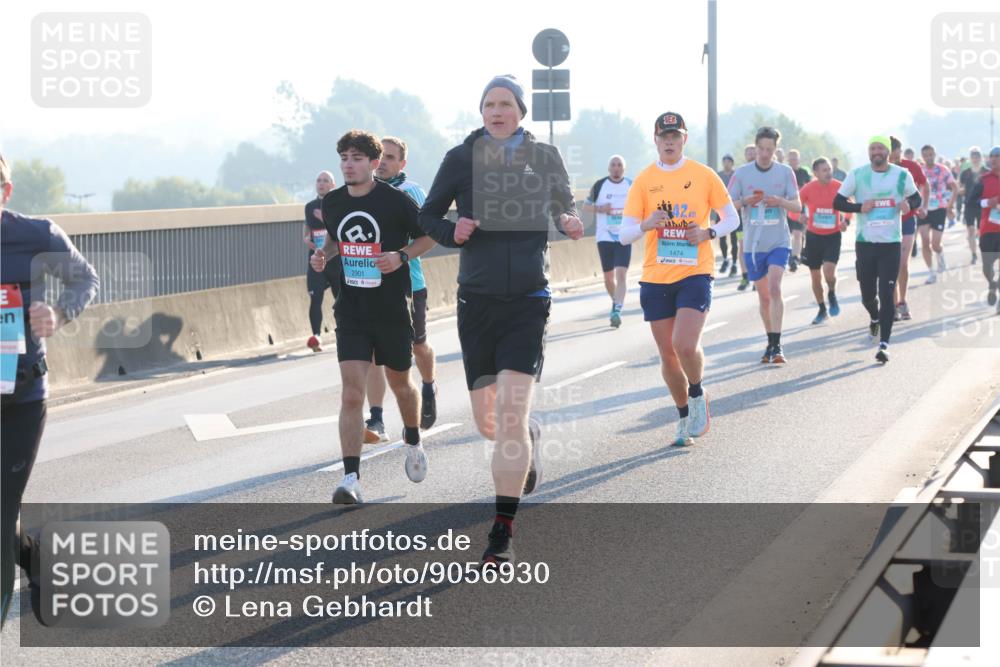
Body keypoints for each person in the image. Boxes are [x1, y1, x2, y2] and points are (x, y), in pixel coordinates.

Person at [419, 75, 584, 566]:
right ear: (481, 111)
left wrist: (569, 221)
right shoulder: (460, 159)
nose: (496, 111)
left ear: (520, 111)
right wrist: (452, 230)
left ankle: (502, 532)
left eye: (505, 103)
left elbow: (564, 205)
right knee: (490, 423)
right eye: (489, 104)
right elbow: (427, 216)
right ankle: (527, 436)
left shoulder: (545, 157)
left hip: (528, 301)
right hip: (477, 302)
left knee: (509, 413)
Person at [309, 130, 437, 505]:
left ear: (373, 163)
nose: (348, 165)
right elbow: (336, 239)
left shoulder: (394, 201)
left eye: (356, 158)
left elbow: (429, 236)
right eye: (344, 158)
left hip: (391, 309)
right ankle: (351, 479)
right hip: (351, 310)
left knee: (401, 384)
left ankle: (412, 438)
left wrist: (401, 256)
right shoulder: (333, 202)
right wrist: (324, 254)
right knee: (352, 393)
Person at [1, 153, 100, 625]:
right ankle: (36, 558)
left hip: (21, 399)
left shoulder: (37, 235)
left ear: (5, 191)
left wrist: (58, 313)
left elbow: (86, 279)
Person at [618, 112, 739, 446]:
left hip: (695, 272)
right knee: (668, 356)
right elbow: (624, 235)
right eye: (664, 137)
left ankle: (697, 394)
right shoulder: (644, 181)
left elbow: (732, 219)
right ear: (656, 141)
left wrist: (707, 232)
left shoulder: (704, 175)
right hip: (656, 276)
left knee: (684, 344)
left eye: (675, 136)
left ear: (684, 139)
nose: (669, 142)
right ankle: (684, 416)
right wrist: (646, 224)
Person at [361, 136, 439, 442]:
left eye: (391, 157)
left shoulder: (411, 191)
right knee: (373, 354)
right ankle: (376, 419)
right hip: (372, 284)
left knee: (417, 347)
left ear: (402, 163)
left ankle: (429, 386)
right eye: (380, 156)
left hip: (409, 284)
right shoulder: (363, 191)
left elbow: (428, 235)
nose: (383, 162)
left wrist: (400, 255)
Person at [834, 136, 920, 364]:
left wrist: (908, 205)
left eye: (881, 148)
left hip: (891, 244)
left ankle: (884, 345)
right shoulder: (857, 175)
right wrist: (859, 207)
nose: (876, 152)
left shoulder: (901, 175)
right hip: (865, 243)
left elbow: (917, 198)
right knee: (867, 296)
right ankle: (874, 317)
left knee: (887, 295)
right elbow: (838, 202)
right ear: (869, 152)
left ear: (888, 152)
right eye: (873, 148)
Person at [728, 127, 802, 363]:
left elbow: (797, 206)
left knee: (775, 287)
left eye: (770, 149)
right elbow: (726, 206)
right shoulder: (742, 174)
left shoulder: (785, 172)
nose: (765, 154)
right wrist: (745, 201)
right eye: (761, 149)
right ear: (756, 147)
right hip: (753, 245)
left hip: (778, 241)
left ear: (775, 149)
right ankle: (770, 341)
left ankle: (777, 345)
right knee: (764, 296)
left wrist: (780, 201)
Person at [798, 157, 850, 324]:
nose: (828, 173)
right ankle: (822, 309)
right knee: (815, 276)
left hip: (833, 236)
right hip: (813, 237)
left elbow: (850, 206)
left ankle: (832, 292)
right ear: (816, 173)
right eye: (824, 170)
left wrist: (846, 221)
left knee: (829, 272)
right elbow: (795, 205)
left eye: (829, 169)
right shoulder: (808, 188)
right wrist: (799, 216)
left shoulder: (839, 187)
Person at [584, 155, 633, 328]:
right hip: (604, 236)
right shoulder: (600, 185)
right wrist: (601, 208)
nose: (616, 167)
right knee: (608, 278)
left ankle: (617, 310)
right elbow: (585, 206)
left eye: (619, 165)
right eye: (613, 164)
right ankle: (616, 301)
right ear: (609, 168)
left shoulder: (631, 185)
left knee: (621, 274)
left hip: (624, 236)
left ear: (624, 168)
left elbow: (642, 205)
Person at [889, 136, 929, 321]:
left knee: (902, 263)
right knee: (891, 265)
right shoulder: (879, 170)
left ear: (900, 151)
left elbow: (925, 184)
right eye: (890, 156)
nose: (893, 159)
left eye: (895, 155)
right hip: (887, 222)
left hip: (907, 220)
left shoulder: (911, 167)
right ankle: (893, 304)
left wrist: (924, 206)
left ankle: (902, 301)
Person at [304, 171, 339, 352]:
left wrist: (323, 218)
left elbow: (341, 228)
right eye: (319, 180)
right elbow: (308, 226)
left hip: (335, 260)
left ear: (333, 185)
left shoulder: (339, 203)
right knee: (315, 297)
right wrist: (305, 237)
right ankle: (316, 337)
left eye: (326, 181)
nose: (321, 183)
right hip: (316, 260)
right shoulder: (310, 206)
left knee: (340, 299)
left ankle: (344, 331)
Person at [967, 146, 1000, 313]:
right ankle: (992, 284)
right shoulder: (984, 179)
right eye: (991, 156)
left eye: (997, 156)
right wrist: (988, 202)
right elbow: (970, 202)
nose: (993, 159)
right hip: (988, 229)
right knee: (987, 266)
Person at [919, 144, 958, 283]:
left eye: (930, 154)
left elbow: (954, 187)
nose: (928, 157)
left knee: (935, 244)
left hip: (940, 208)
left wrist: (950, 206)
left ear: (934, 154)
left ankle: (940, 254)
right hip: (924, 209)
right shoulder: (920, 170)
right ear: (922, 156)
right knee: (924, 241)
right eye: (925, 155)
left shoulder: (943, 169)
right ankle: (931, 272)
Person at [786, 149, 812, 272]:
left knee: (797, 234)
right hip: (785, 208)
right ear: (788, 160)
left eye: (795, 159)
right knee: (787, 235)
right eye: (791, 159)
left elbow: (810, 189)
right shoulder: (785, 172)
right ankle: (788, 255)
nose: (793, 161)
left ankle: (795, 258)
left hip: (799, 208)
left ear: (799, 160)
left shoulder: (804, 173)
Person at [960, 147, 987, 265]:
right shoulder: (965, 173)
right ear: (970, 159)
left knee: (983, 232)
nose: (975, 159)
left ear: (981, 158)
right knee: (970, 231)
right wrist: (961, 191)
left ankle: (984, 252)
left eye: (977, 157)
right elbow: (961, 188)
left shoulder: (986, 172)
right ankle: (974, 254)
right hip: (969, 205)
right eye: (973, 157)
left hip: (983, 206)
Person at [736, 144, 757, 292]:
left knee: (757, 247)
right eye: (748, 152)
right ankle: (745, 276)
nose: (751, 155)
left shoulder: (764, 172)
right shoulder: (741, 173)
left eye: (753, 152)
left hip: (760, 218)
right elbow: (733, 196)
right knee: (742, 247)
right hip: (743, 219)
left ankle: (757, 277)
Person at [715, 154, 739, 277]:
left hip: (735, 211)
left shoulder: (737, 175)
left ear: (732, 163)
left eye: (728, 161)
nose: (726, 164)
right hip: (720, 211)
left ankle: (734, 263)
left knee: (735, 239)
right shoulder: (718, 175)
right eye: (724, 161)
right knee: (721, 237)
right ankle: (725, 259)